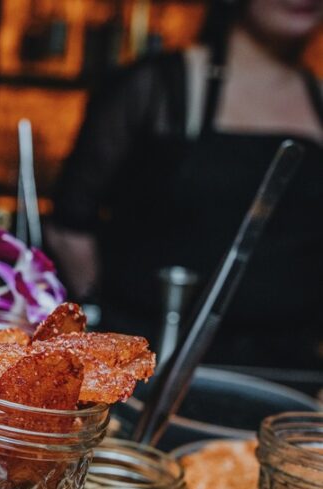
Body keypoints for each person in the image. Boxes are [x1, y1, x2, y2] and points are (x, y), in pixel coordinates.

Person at [47, 0, 323, 369]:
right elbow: (70, 226)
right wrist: (106, 323)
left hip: (288, 368)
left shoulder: (317, 97)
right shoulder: (158, 87)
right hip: (154, 359)